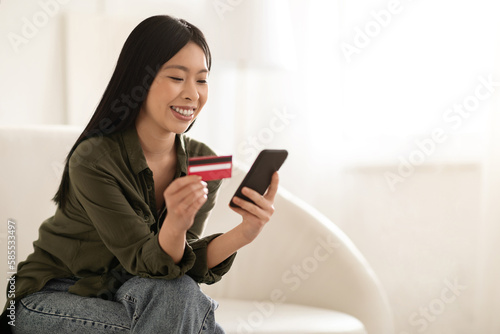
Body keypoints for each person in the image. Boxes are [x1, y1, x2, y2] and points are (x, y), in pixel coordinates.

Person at [1, 15, 279, 333]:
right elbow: (143, 259)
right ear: (140, 81)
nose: (193, 94)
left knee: (177, 295)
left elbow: (177, 264)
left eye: (201, 80)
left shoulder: (205, 161)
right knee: (195, 322)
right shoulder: (93, 160)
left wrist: (246, 232)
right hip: (51, 295)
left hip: (133, 291)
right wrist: (173, 224)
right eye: (177, 77)